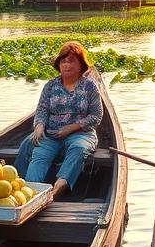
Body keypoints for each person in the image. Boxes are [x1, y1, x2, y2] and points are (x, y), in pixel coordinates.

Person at [16, 42, 102, 199]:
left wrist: (71, 128)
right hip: (52, 134)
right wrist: (39, 126)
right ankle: (29, 193)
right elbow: (42, 110)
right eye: (63, 61)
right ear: (58, 64)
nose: (67, 65)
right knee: (39, 154)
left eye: (71, 61)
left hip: (81, 133)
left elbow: (96, 116)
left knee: (78, 149)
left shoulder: (89, 87)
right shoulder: (50, 86)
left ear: (80, 65)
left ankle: (58, 189)